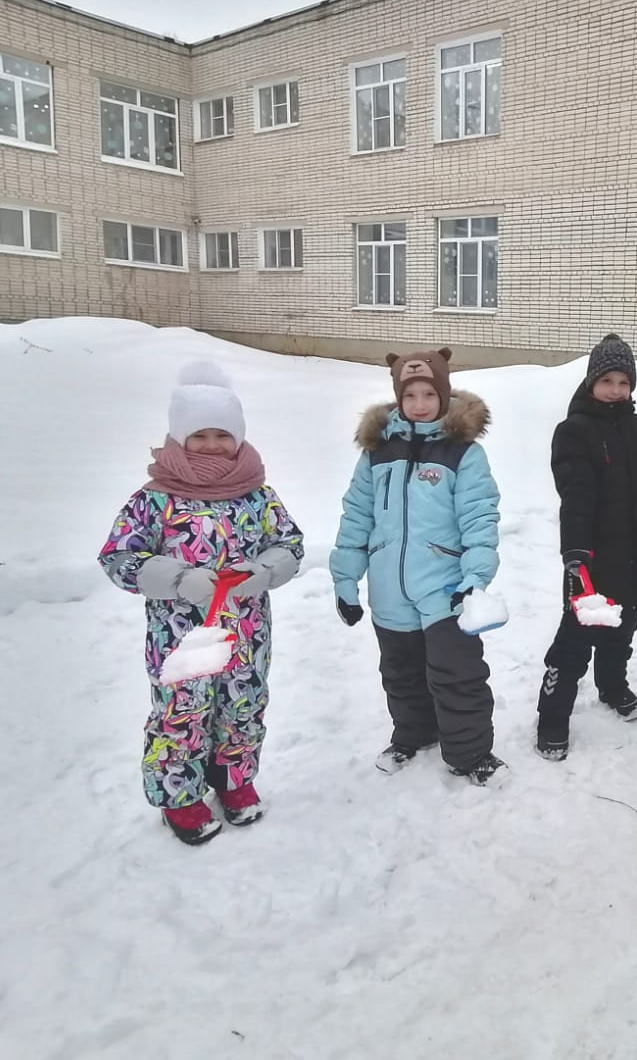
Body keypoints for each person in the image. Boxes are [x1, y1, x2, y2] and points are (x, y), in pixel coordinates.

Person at [99, 361, 305, 845]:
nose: (212, 445)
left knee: (243, 702)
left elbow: (290, 543)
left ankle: (233, 778)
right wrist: (176, 579)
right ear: (178, 438)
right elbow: (119, 556)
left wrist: (266, 570)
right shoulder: (155, 499)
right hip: (181, 633)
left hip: (246, 629)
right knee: (183, 710)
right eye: (200, 435)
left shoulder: (257, 494)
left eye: (222, 434)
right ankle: (180, 793)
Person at [331, 348, 505, 786]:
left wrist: (475, 579)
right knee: (401, 673)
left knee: (457, 675)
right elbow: (357, 516)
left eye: (430, 393)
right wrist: (346, 578)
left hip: (446, 588)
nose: (421, 403)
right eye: (411, 395)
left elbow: (480, 519)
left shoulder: (463, 454)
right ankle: (414, 733)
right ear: (398, 398)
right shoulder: (377, 453)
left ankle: (470, 755)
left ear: (444, 395)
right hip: (389, 587)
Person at [535, 334, 637, 760]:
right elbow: (575, 497)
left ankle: (612, 686)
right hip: (593, 559)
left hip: (636, 554)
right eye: (607, 380)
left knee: (622, 631)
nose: (615, 390)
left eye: (623, 382)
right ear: (591, 381)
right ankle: (552, 718)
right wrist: (575, 553)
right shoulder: (574, 431)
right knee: (574, 643)